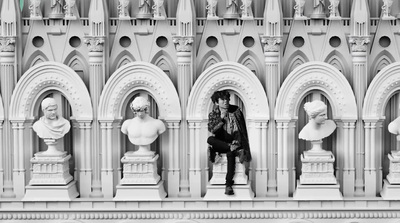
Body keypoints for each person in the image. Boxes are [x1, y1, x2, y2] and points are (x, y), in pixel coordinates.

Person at [207, 90, 251, 195]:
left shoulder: (235, 111)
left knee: (230, 154)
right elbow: (213, 130)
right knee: (210, 140)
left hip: (235, 141)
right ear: (216, 102)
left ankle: (228, 185)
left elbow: (242, 130)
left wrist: (239, 143)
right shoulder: (214, 114)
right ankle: (230, 147)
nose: (226, 101)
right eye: (222, 100)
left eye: (227, 99)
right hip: (222, 144)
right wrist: (221, 119)